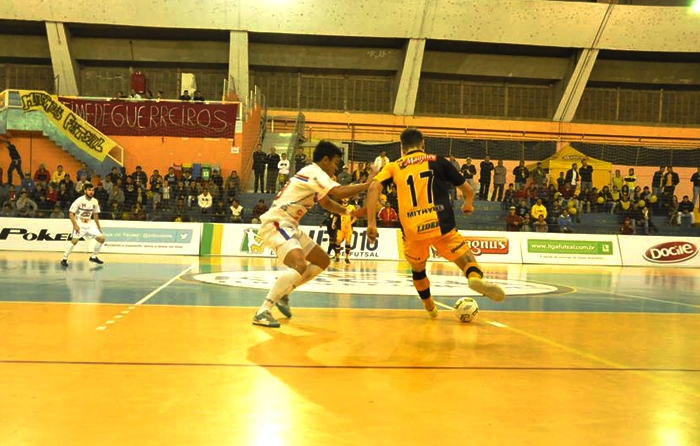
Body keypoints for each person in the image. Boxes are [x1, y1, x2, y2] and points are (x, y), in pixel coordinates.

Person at [365, 128, 505, 320]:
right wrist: (468, 204)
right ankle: (473, 279)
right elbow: (467, 187)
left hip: (413, 230)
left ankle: (430, 307)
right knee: (467, 260)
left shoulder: (394, 166)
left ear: (402, 147)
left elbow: (373, 187)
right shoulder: (437, 160)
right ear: (423, 144)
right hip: (441, 224)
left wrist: (371, 222)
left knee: (418, 269)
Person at [252, 141, 370, 328]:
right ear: (325, 160)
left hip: (290, 225)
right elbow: (338, 193)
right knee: (299, 264)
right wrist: (367, 185)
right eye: (335, 162)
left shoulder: (315, 177)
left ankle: (285, 292)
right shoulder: (315, 172)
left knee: (323, 260)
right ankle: (263, 311)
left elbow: (327, 203)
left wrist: (350, 213)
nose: (336, 167)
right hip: (277, 222)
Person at [61, 183, 106, 266]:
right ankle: (64, 259)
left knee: (101, 239)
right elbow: (71, 213)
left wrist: (98, 227)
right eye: (89, 190)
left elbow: (95, 214)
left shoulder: (95, 201)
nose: (91, 192)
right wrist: (75, 225)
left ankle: (94, 257)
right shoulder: (79, 200)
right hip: (79, 224)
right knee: (74, 241)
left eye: (92, 190)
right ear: (85, 191)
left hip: (89, 224)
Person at [333, 199, 356, 264]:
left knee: (348, 242)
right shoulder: (339, 207)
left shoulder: (351, 207)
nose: (345, 199)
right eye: (344, 198)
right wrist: (333, 223)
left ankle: (347, 258)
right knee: (338, 242)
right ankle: (337, 257)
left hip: (348, 228)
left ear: (348, 199)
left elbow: (355, 217)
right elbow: (336, 216)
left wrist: (350, 223)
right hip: (340, 227)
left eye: (347, 198)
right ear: (342, 199)